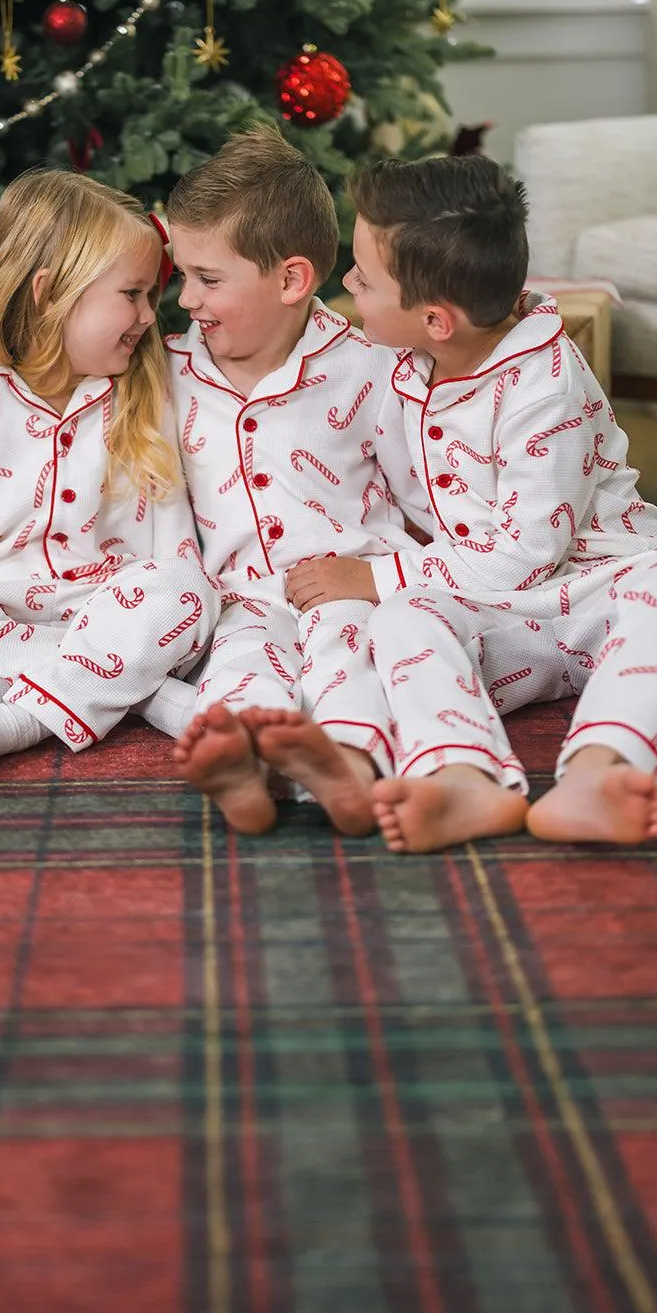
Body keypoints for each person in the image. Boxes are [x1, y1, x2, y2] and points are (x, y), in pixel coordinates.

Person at [337, 154, 657, 852]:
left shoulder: (546, 387)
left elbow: (524, 557)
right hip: (504, 623)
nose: (347, 285)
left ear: (435, 318)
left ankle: (600, 767)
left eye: (363, 280)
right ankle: (462, 775)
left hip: (599, 594)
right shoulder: (398, 357)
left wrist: (376, 576)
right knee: (403, 622)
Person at [0, 170, 217, 762]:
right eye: (132, 294)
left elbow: (172, 554)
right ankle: (148, 700)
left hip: (117, 611)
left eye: (150, 296)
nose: (148, 316)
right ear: (47, 293)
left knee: (185, 591)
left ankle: (14, 725)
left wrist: (144, 617)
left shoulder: (150, 390)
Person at [163, 123, 423, 836]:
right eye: (182, 274)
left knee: (351, 655)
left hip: (346, 582)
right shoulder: (167, 374)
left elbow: (426, 501)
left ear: (291, 280)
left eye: (208, 279)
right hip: (240, 600)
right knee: (239, 668)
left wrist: (389, 576)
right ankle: (243, 765)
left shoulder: (368, 368)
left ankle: (347, 763)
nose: (186, 299)